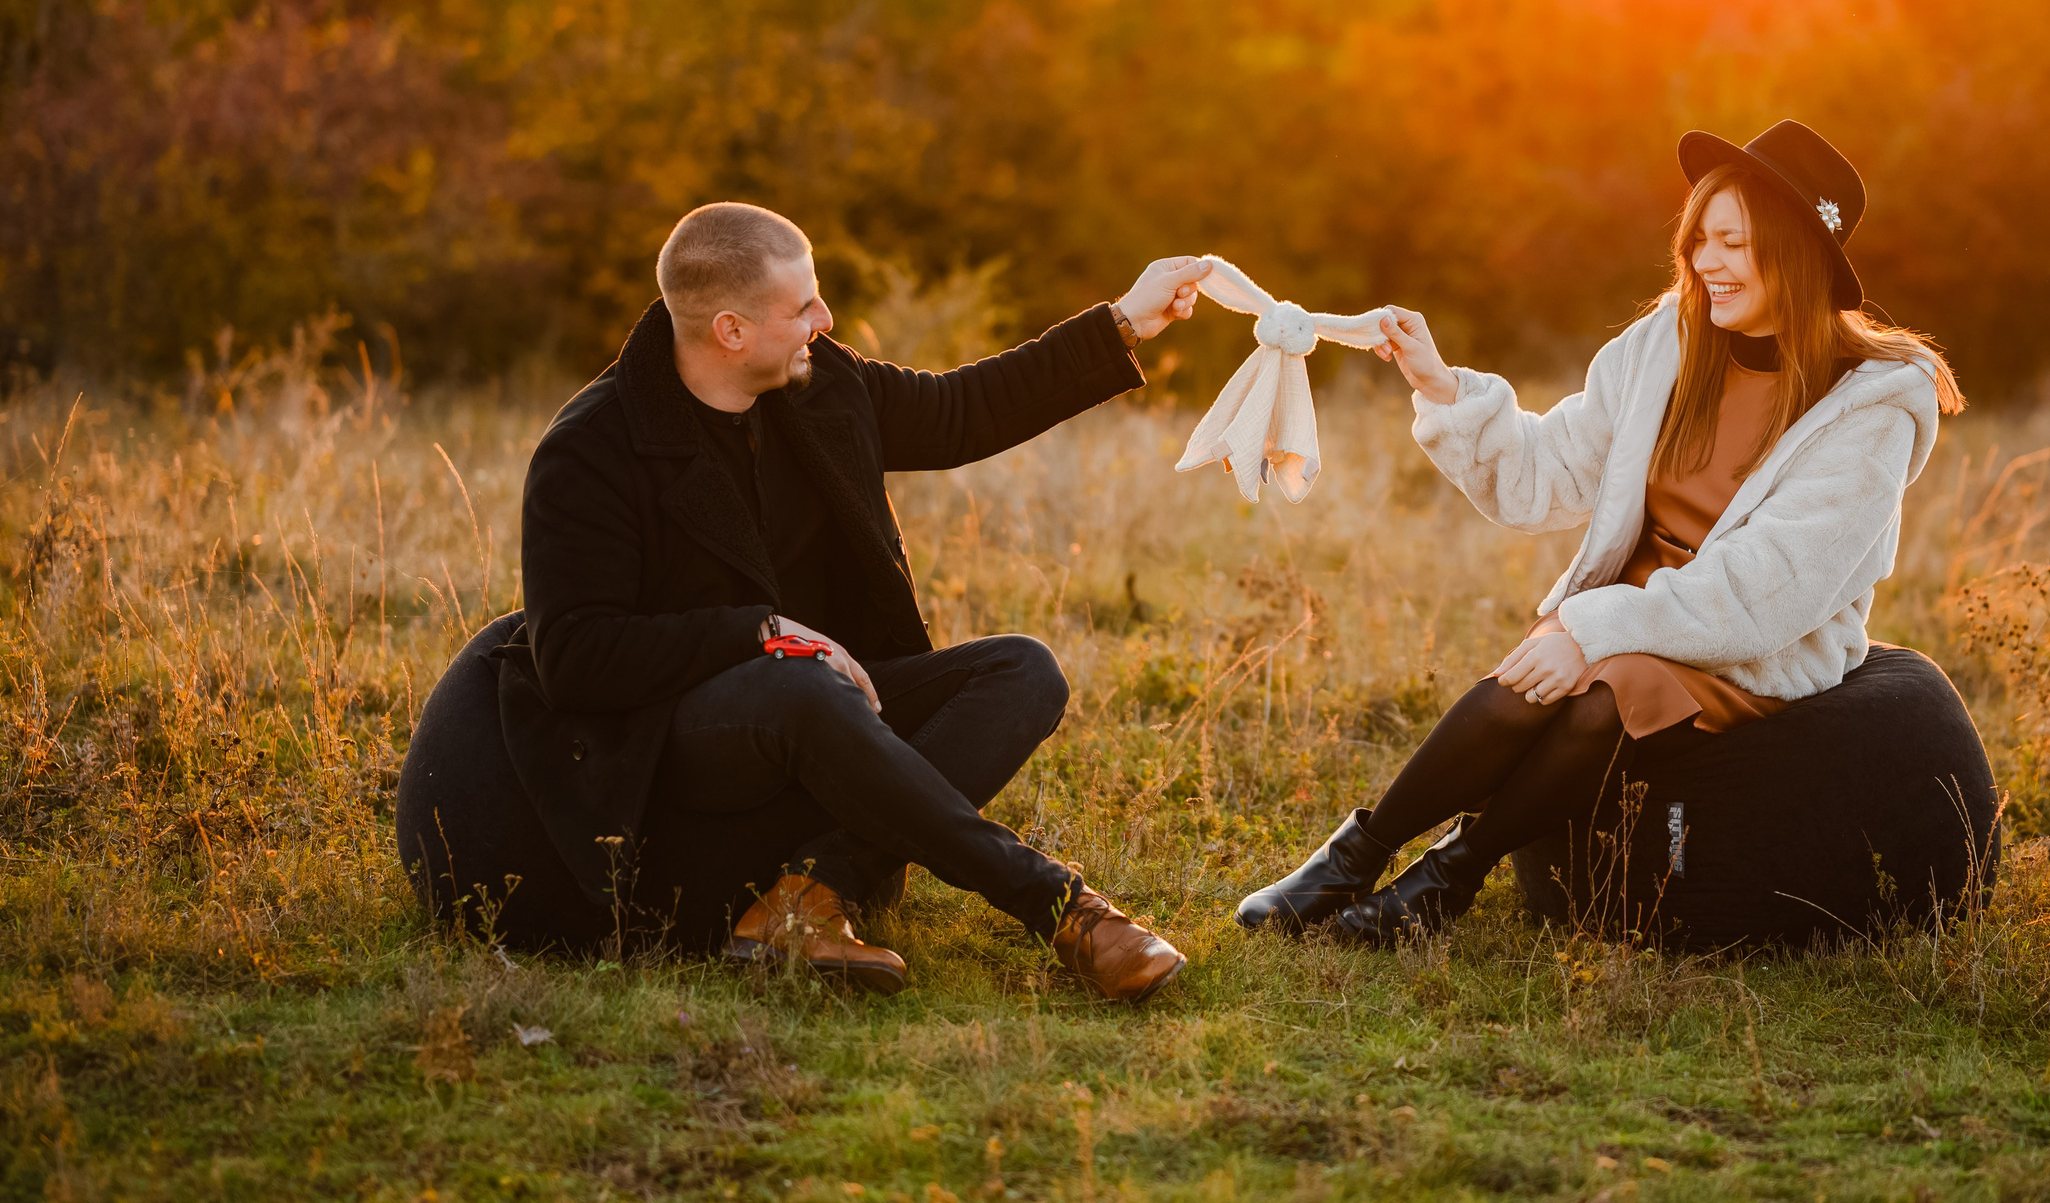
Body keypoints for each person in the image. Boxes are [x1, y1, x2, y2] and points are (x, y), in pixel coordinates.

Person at [1236, 121, 1965, 943]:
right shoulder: (1669, 342)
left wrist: (1589, 627)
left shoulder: (1868, 406)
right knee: (1539, 679)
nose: (1706, 262)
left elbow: (1765, 590)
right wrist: (1442, 389)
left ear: (1795, 253)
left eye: (1732, 242)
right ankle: (1356, 855)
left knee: (1601, 690)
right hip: (1633, 614)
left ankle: (1451, 873)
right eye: (1699, 240)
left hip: (1751, 649)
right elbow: (1546, 473)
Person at [506, 202, 1212, 1002]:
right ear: (731, 330)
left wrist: (1123, 322)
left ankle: (814, 889)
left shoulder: (821, 384)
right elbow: (575, 657)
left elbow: (960, 411)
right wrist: (759, 633)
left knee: (1025, 671)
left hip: (831, 706)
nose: (826, 318)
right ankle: (1058, 905)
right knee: (800, 682)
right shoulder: (592, 449)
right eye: (802, 305)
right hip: (683, 743)